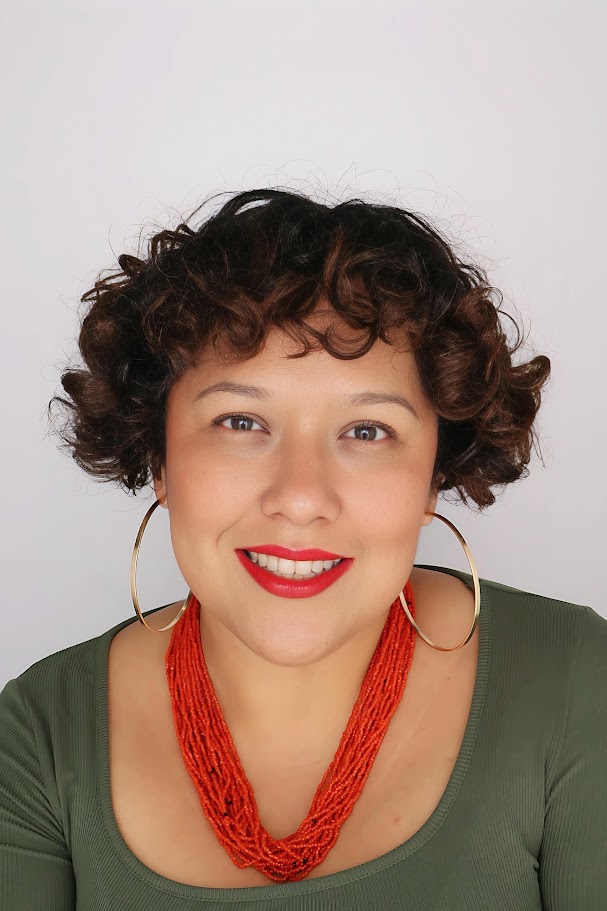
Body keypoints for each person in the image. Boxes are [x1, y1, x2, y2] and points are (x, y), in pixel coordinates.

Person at [1, 187, 605, 910]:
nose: (299, 494)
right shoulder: (39, 734)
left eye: (366, 431)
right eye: (240, 420)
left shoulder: (573, 682)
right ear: (158, 456)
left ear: (434, 474)